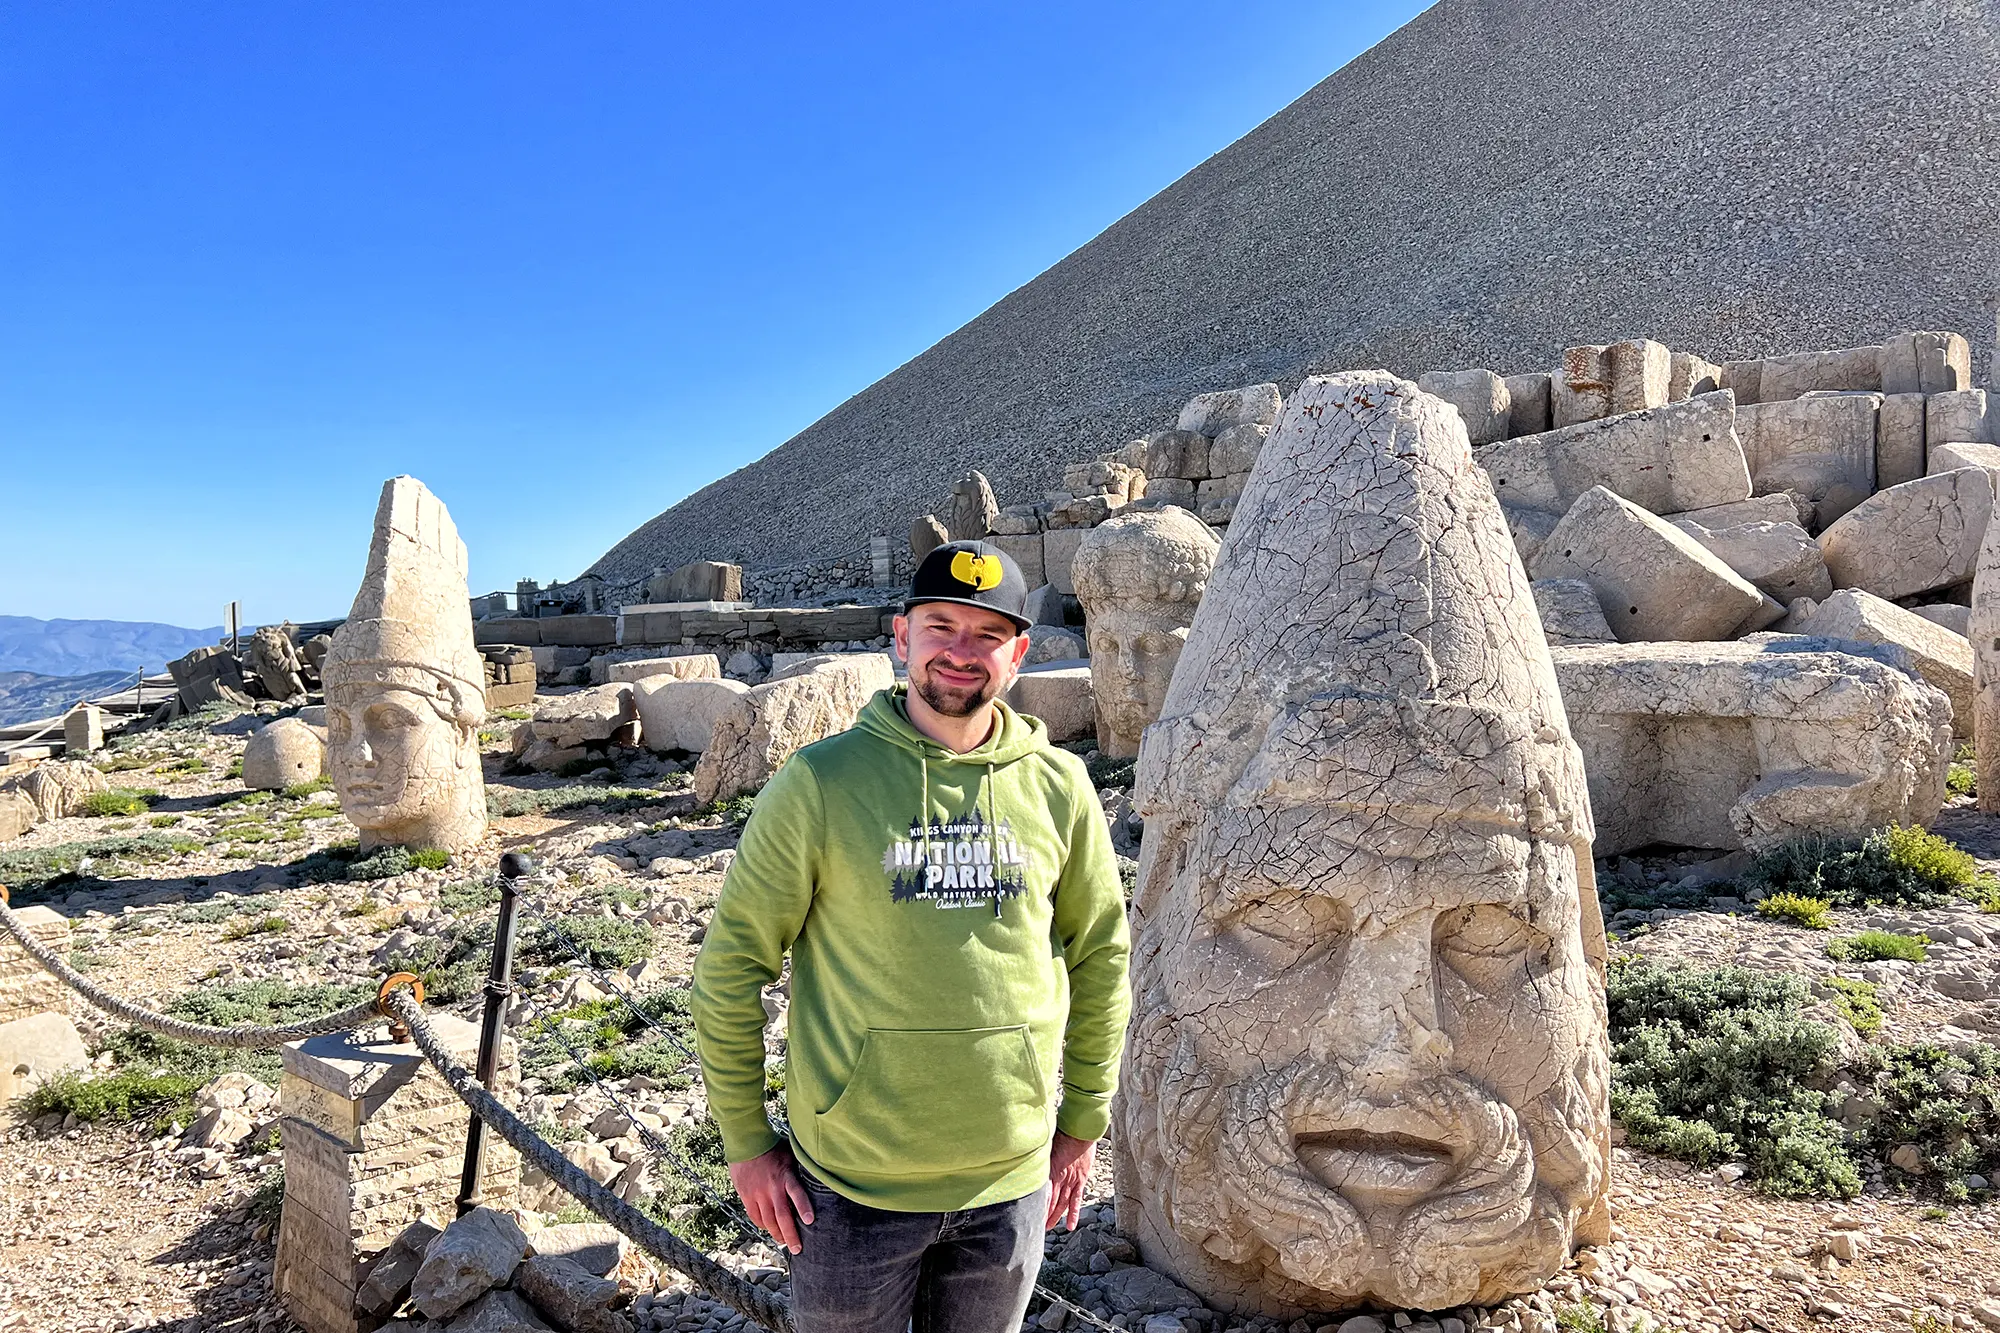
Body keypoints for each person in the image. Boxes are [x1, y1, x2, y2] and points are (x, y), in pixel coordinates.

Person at [691, 539, 1132, 1333]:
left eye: (987, 635)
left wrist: (1083, 1121)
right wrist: (748, 1141)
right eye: (941, 626)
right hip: (851, 1189)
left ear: (1019, 651)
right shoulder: (821, 783)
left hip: (1010, 1180)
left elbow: (1102, 957)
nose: (961, 653)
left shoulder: (1062, 787)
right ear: (902, 637)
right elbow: (730, 967)